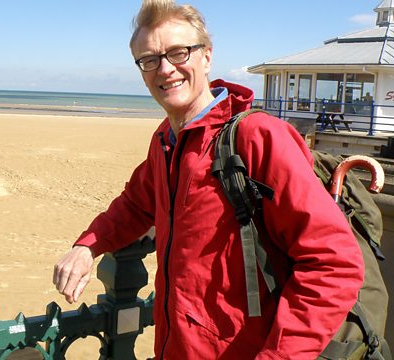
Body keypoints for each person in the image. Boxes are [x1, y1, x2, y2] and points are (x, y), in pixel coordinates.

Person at [52, 1, 364, 359]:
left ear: (206, 56)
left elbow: (334, 264)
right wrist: (88, 245)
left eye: (178, 52)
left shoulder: (258, 138)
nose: (165, 69)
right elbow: (136, 204)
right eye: (149, 59)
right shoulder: (167, 141)